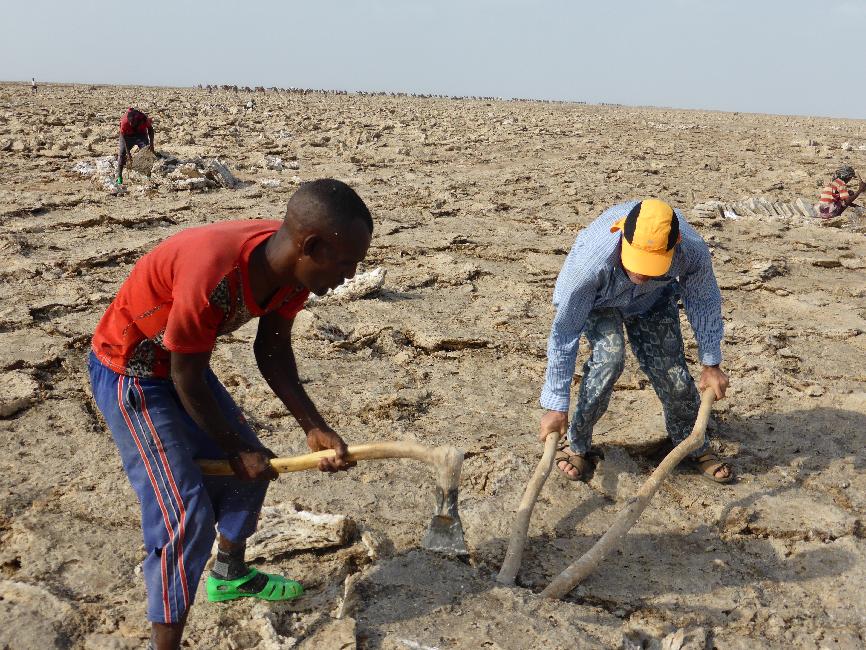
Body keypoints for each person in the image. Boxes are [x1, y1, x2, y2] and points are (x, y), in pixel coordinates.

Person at [88, 179, 372, 650]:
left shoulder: (294, 272)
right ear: (311, 247)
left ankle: (229, 573)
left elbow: (272, 351)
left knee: (255, 468)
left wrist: (313, 426)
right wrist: (236, 449)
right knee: (184, 516)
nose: (350, 274)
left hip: (182, 365)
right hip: (131, 372)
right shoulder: (214, 274)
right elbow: (186, 378)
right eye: (346, 262)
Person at [538, 199, 733, 484]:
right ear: (620, 234)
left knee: (673, 374)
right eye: (637, 260)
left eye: (651, 264)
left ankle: (691, 444)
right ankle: (577, 445)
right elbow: (565, 333)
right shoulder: (589, 264)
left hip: (652, 299)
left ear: (676, 244)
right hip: (600, 301)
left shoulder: (691, 250)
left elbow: (703, 299)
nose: (641, 273)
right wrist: (557, 406)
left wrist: (711, 363)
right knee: (609, 359)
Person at [116, 107, 155, 185]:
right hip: (127, 136)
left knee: (147, 152)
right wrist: (128, 153)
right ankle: (119, 177)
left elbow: (150, 130)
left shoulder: (144, 119)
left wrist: (151, 144)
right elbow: (123, 137)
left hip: (141, 134)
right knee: (122, 154)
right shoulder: (124, 122)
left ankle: (148, 175)